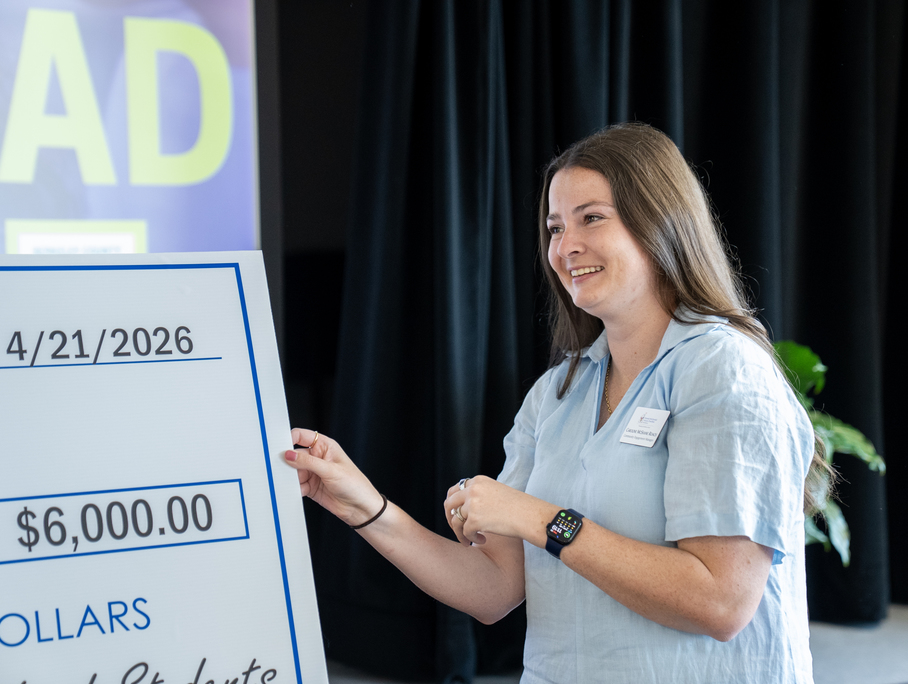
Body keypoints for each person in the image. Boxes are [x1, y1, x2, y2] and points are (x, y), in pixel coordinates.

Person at [284, 122, 828, 683]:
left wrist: (539, 518)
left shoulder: (723, 371)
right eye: (554, 226)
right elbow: (495, 588)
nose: (566, 247)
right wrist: (367, 508)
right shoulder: (558, 393)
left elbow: (720, 602)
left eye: (592, 218)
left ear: (662, 222)